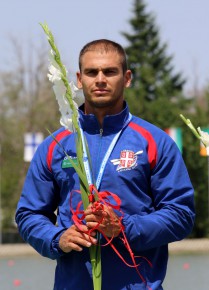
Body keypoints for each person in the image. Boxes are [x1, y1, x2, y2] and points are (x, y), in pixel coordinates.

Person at [15, 39, 195, 290]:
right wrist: (57, 238)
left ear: (127, 78)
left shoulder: (155, 142)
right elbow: (29, 214)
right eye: (91, 72)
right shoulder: (55, 145)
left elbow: (181, 214)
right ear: (79, 79)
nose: (100, 79)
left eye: (110, 71)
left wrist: (122, 228)